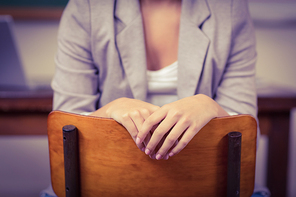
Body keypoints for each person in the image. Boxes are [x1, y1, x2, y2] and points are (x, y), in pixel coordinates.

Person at [41, 0, 270, 196]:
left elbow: (247, 130)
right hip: (109, 180)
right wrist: (111, 110)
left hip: (201, 183)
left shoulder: (229, 8)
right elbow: (65, 125)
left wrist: (209, 107)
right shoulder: (86, 7)